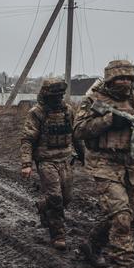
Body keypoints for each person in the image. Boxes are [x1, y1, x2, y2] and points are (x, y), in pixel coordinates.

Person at [73, 60, 134, 268]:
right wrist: (108, 121)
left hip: (132, 164)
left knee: (125, 213)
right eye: (120, 78)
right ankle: (125, 267)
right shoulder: (93, 100)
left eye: (128, 78)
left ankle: (92, 246)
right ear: (110, 79)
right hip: (103, 163)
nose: (124, 82)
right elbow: (78, 130)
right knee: (122, 218)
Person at [19, 78, 84, 250]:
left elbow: (76, 135)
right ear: (46, 94)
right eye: (55, 95)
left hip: (66, 159)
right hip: (46, 160)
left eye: (61, 95)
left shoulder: (68, 111)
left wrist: (84, 156)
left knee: (66, 198)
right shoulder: (37, 113)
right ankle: (58, 234)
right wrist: (26, 163)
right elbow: (27, 139)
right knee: (56, 197)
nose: (58, 98)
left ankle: (43, 205)